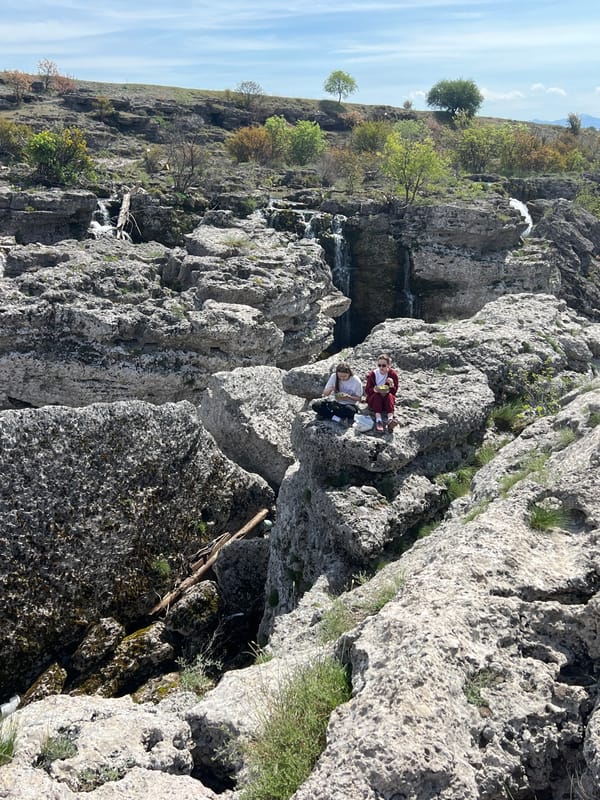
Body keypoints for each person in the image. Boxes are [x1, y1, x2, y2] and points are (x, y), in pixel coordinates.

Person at [365, 353, 399, 433]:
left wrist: (391, 385)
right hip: (374, 400)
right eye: (379, 365)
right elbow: (367, 390)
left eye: (383, 365)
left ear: (388, 365)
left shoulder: (392, 375)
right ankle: (378, 419)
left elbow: (394, 391)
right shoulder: (373, 374)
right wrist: (374, 389)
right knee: (377, 395)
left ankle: (390, 419)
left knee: (389, 395)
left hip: (387, 400)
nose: (381, 368)